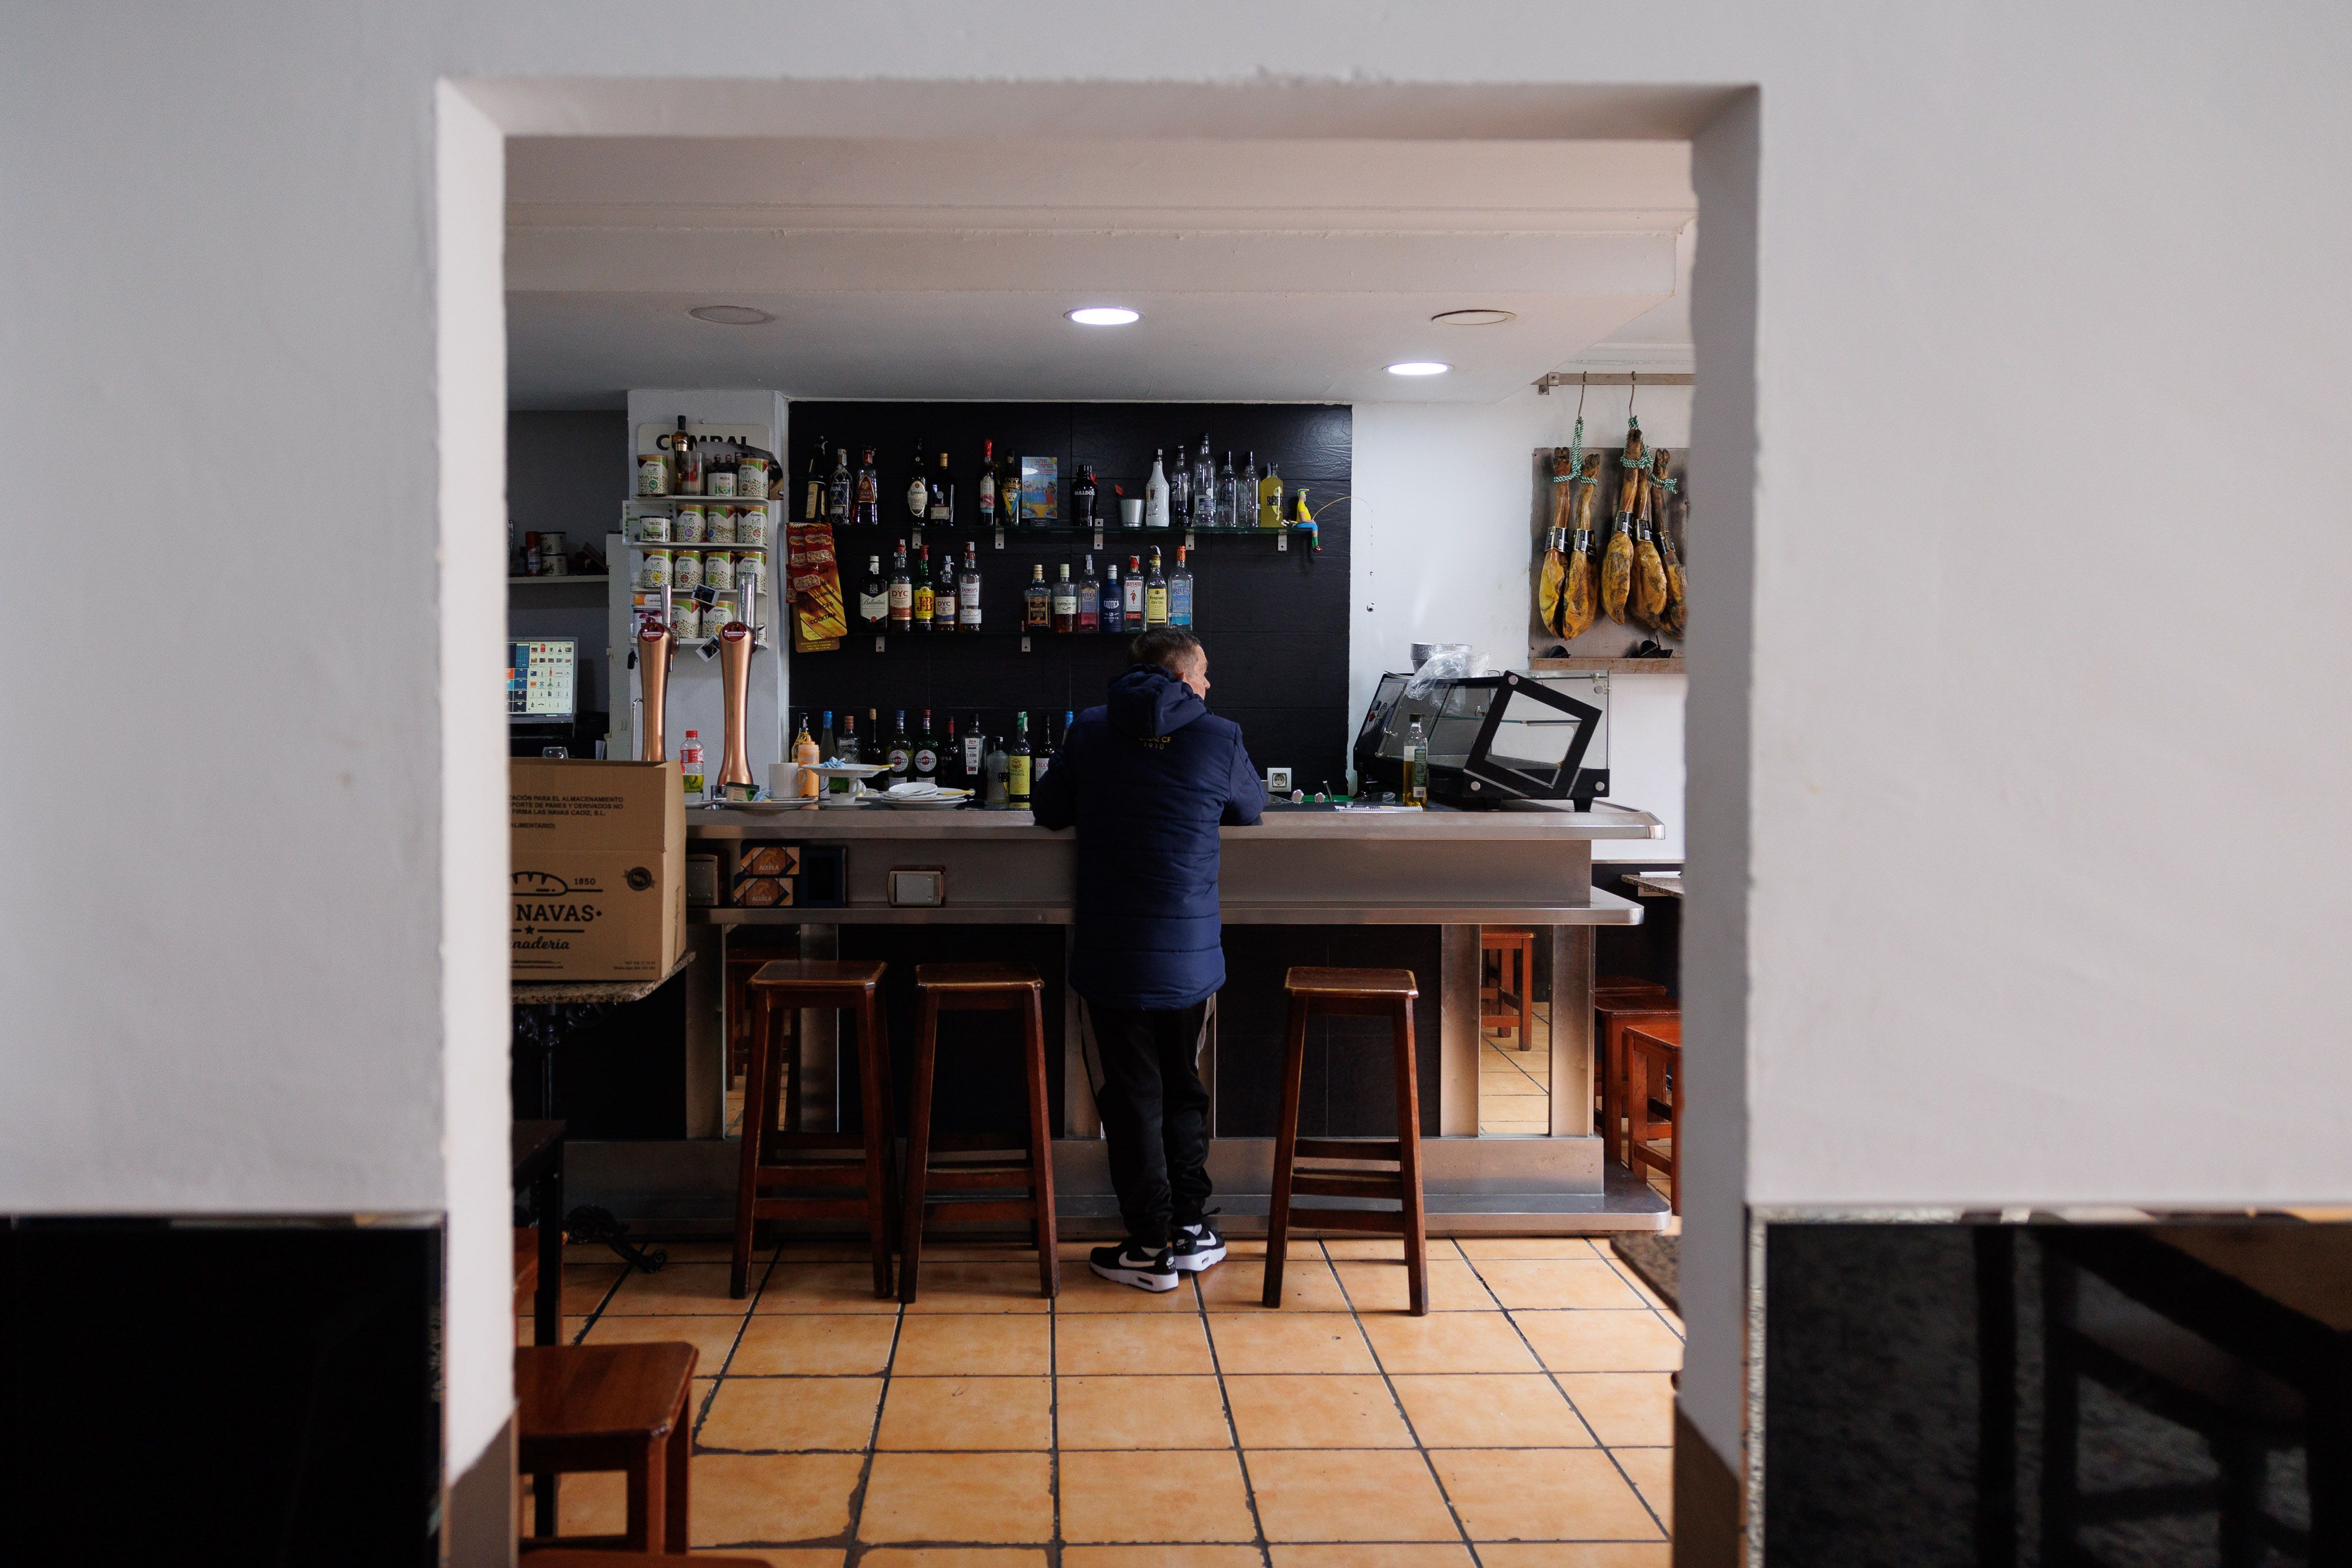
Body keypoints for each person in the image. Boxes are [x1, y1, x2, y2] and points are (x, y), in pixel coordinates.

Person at [1031, 627, 1264, 1290]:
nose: (1210, 685)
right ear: (1183, 676)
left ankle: (1148, 1245)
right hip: (1188, 954)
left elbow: (1048, 810)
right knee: (1182, 1085)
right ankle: (1189, 1230)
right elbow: (1249, 808)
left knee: (1132, 1096)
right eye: (1205, 673)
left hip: (1112, 952)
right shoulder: (1219, 735)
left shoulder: (1089, 729)